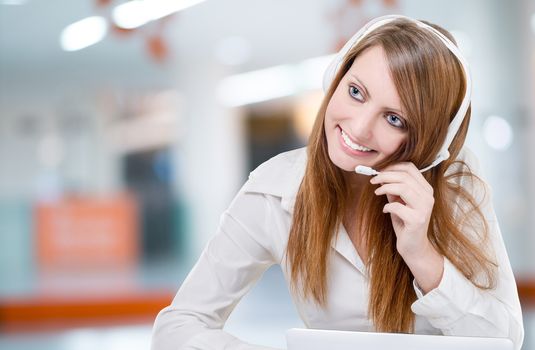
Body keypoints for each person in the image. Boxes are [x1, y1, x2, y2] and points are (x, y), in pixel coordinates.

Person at [151, 15, 524, 350]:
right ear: (336, 79)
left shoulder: (456, 188)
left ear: (429, 143)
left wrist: (422, 255)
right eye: (356, 92)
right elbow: (178, 325)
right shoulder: (275, 189)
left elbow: (504, 340)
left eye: (394, 119)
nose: (359, 128)